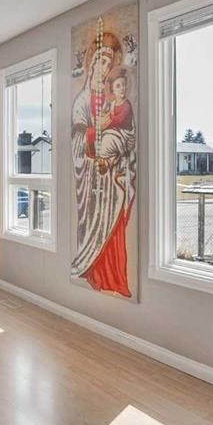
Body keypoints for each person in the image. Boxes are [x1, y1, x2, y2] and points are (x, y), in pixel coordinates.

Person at [71, 28, 135, 298]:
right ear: (92, 63)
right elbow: (77, 139)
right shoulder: (82, 100)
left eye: (109, 63)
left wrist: (116, 144)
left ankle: (115, 279)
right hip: (91, 180)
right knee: (94, 228)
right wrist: (101, 131)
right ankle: (94, 272)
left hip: (111, 180)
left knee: (115, 229)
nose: (105, 67)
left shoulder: (113, 100)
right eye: (101, 61)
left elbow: (127, 133)